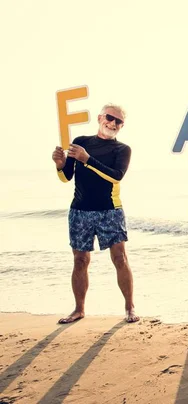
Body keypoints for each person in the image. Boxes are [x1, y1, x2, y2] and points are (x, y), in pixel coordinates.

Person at [51, 104, 139, 323]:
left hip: (110, 210)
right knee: (80, 260)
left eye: (119, 121)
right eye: (110, 118)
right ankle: (78, 309)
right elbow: (66, 177)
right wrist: (60, 164)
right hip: (80, 210)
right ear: (100, 117)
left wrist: (87, 159)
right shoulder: (81, 142)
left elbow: (116, 176)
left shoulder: (122, 150)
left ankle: (130, 308)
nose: (114, 123)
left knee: (120, 258)